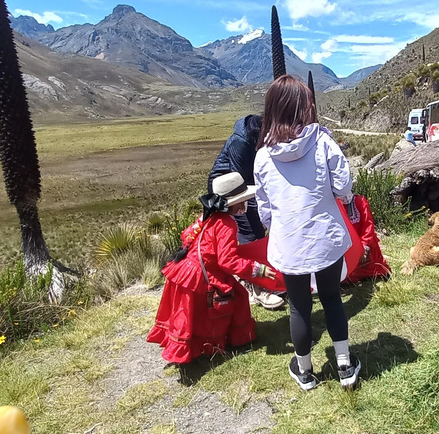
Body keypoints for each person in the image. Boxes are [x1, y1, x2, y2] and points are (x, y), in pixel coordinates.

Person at [254, 75, 361, 391]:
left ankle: (304, 371)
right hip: (324, 239)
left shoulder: (262, 156)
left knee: (299, 306)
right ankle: (344, 366)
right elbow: (343, 187)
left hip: (289, 243)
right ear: (304, 107)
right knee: (331, 299)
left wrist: (279, 231)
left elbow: (264, 208)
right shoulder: (323, 142)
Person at [147, 173, 279, 384]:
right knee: (234, 298)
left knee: (188, 313)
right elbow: (228, 261)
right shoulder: (227, 224)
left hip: (186, 271)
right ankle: (225, 341)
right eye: (243, 202)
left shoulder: (208, 217)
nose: (245, 205)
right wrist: (257, 270)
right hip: (202, 275)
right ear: (234, 205)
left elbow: (186, 236)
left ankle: (190, 349)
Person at [208, 115, 285, 310]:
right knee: (251, 233)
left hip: (246, 188)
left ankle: (252, 281)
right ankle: (258, 289)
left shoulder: (262, 136)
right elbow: (241, 182)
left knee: (255, 232)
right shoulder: (241, 143)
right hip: (230, 192)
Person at [342, 195, 391, 283]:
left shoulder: (360, 201)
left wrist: (364, 246)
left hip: (364, 242)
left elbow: (368, 225)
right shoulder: (334, 205)